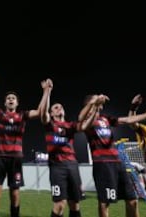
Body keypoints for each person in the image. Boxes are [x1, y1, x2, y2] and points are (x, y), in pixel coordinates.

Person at [79, 93, 146, 217]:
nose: (100, 103)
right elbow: (81, 118)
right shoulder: (85, 121)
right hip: (103, 164)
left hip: (118, 162)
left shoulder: (105, 119)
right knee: (105, 202)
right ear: (88, 105)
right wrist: (95, 103)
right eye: (96, 101)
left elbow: (127, 120)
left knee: (132, 199)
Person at [0, 71, 47, 217]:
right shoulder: (0, 113)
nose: (11, 99)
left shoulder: (23, 115)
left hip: (16, 159)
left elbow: (39, 112)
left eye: (13, 98)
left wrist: (45, 92)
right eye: (8, 98)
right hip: (0, 157)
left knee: (15, 193)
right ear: (5, 103)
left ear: (17, 103)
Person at [39, 79, 99, 217]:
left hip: (72, 165)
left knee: (75, 203)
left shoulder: (70, 126)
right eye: (55, 107)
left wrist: (94, 108)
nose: (58, 108)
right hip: (57, 166)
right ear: (52, 114)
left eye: (60, 106)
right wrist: (47, 91)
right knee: (60, 204)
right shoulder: (49, 125)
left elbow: (84, 126)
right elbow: (43, 113)